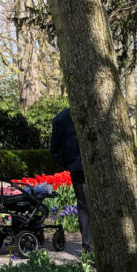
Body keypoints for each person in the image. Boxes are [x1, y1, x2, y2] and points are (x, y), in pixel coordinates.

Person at [50, 107, 92, 252]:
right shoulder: (95, 110)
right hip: (99, 166)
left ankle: (89, 247)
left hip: (77, 167)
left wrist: (70, 164)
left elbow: (55, 150)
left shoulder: (60, 118)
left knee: (84, 207)